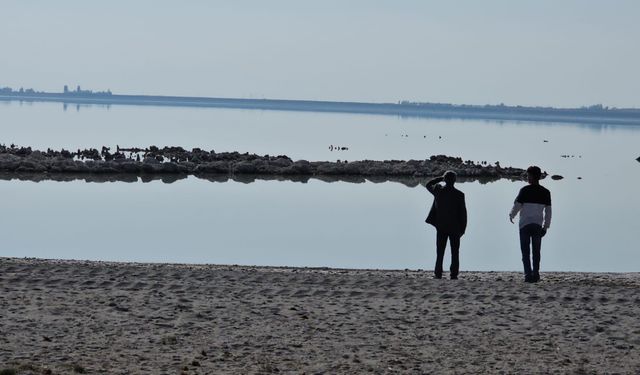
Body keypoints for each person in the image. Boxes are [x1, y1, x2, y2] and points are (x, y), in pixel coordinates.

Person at [509, 166, 552, 283]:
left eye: (528, 175)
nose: (527, 177)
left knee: (525, 251)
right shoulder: (546, 192)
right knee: (536, 252)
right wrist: (546, 226)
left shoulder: (524, 190)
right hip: (537, 224)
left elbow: (517, 206)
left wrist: (511, 215)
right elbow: (548, 212)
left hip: (525, 224)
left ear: (532, 176)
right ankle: (536, 273)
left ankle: (528, 274)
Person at [425, 171, 467, 279]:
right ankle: (454, 274)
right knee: (455, 252)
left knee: (440, 251)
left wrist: (440, 178)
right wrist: (463, 229)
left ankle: (438, 273)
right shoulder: (459, 194)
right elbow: (463, 214)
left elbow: (428, 184)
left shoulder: (438, 191)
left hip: (441, 226)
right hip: (455, 227)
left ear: (445, 179)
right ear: (455, 181)